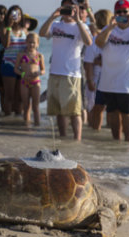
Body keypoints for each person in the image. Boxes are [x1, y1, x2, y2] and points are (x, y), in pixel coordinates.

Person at [95, 0, 129, 142]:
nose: (122, 14)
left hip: (128, 82)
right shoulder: (109, 28)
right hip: (109, 81)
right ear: (114, 14)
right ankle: (116, 142)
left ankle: (128, 143)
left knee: (127, 113)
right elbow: (99, 43)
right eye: (118, 12)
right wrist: (109, 28)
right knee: (112, 113)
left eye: (125, 12)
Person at [39, 0, 92, 140]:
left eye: (70, 7)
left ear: (75, 8)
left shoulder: (81, 26)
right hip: (54, 73)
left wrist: (78, 21)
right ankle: (62, 138)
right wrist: (52, 16)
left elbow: (88, 42)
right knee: (59, 111)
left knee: (75, 111)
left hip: (71, 74)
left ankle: (77, 140)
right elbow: (42, 33)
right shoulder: (56, 25)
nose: (68, 10)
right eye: (65, 7)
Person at [83, 9, 113, 129]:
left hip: (108, 78)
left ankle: (101, 132)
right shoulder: (95, 41)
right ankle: (94, 132)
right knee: (95, 107)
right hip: (96, 78)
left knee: (105, 108)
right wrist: (90, 81)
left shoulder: (113, 38)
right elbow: (88, 63)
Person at [14, 32, 45, 126]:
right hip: (24, 82)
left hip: (36, 82)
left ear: (37, 44)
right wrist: (23, 74)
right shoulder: (21, 54)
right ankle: (26, 125)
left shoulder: (39, 56)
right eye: (29, 42)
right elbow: (16, 69)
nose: (31, 44)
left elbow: (43, 70)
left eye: (33, 42)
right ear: (26, 43)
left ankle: (37, 125)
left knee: (35, 106)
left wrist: (39, 73)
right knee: (26, 105)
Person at [1, 5, 26, 116]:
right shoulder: (4, 28)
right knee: (9, 95)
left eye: (19, 14)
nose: (17, 16)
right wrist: (9, 27)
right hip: (9, 64)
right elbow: (5, 45)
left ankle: (17, 119)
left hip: (22, 65)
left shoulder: (24, 30)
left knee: (20, 97)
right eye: (14, 13)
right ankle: (6, 119)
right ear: (9, 15)